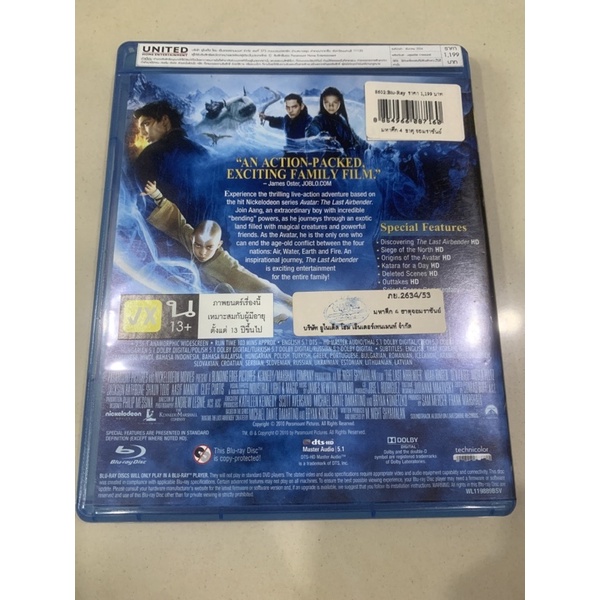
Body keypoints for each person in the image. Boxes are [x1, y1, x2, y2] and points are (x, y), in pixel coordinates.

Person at [143, 181, 293, 322]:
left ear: (219, 244)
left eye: (209, 247)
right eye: (198, 245)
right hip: (201, 293)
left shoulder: (226, 264)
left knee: (237, 291)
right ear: (193, 239)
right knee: (173, 282)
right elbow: (177, 223)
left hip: (227, 301)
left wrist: (288, 301)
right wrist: (156, 195)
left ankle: (274, 313)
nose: (202, 252)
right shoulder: (192, 238)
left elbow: (258, 284)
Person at [133, 101, 212, 225]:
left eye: (146, 124)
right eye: (140, 128)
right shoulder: (203, 152)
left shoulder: (150, 155)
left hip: (166, 230)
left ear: (164, 120)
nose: (142, 133)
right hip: (203, 229)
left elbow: (139, 199)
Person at [305, 87, 369, 159]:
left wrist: (370, 148)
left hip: (349, 160)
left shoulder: (342, 121)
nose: (331, 106)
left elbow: (356, 139)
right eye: (327, 102)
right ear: (322, 103)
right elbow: (312, 132)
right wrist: (321, 138)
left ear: (339, 103)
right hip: (331, 162)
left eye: (334, 102)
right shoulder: (319, 120)